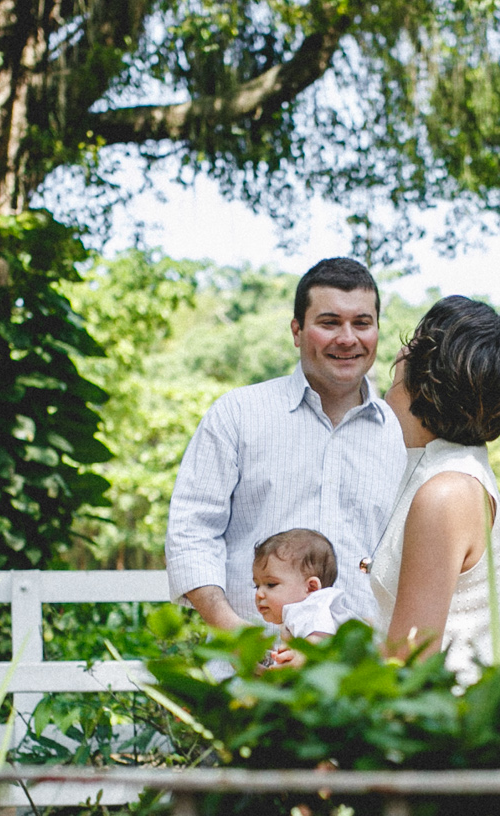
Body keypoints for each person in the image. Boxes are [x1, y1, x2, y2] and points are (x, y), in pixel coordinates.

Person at [166, 257, 405, 631]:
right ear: (297, 331)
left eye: (362, 323)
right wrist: (235, 634)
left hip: (361, 674)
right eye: (329, 323)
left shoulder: (399, 433)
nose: (347, 338)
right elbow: (191, 532)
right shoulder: (237, 414)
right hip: (248, 668)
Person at [366, 295, 500, 682]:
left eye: (417, 341)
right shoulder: (454, 467)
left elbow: (409, 662)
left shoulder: (446, 491)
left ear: (429, 373)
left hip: (447, 726)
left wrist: (315, 664)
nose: (402, 349)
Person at [251, 527, 368, 643]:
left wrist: (297, 655)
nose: (259, 594)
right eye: (257, 586)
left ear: (311, 587)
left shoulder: (308, 609)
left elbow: (317, 644)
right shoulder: (317, 608)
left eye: (271, 584)